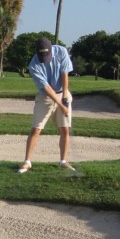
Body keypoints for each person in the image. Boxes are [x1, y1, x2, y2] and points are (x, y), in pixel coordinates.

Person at [18, 37, 75, 173]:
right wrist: (61, 106)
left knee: (65, 129)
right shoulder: (33, 65)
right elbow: (47, 88)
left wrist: (65, 96)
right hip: (45, 97)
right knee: (36, 129)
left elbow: (64, 74)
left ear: (51, 49)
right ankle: (27, 162)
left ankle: (64, 161)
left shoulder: (61, 52)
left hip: (63, 93)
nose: (45, 57)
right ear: (37, 52)